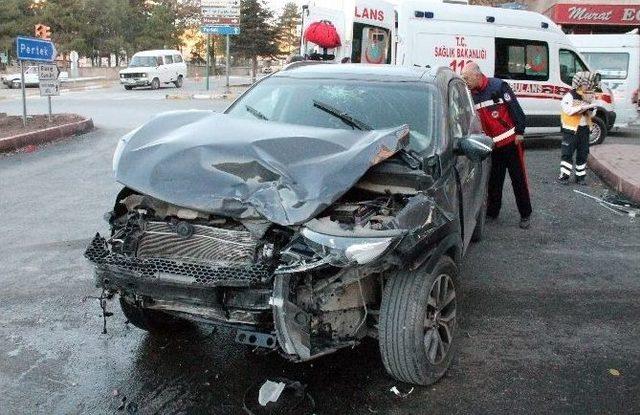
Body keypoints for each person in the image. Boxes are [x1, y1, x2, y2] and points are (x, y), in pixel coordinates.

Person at [461, 62, 532, 229]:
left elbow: (515, 108)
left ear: (477, 75)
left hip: (511, 142)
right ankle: (493, 212)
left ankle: (525, 214)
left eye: (467, 77)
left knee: (518, 179)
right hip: (492, 146)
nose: (465, 81)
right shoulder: (470, 94)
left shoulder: (498, 86)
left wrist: (520, 132)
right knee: (494, 180)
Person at [558, 71, 598, 185]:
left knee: (583, 153)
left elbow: (593, 114)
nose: (588, 85)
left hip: (584, 129)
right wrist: (582, 107)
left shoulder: (590, 95)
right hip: (571, 129)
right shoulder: (570, 95)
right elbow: (568, 110)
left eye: (589, 83)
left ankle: (580, 177)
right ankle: (564, 176)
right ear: (579, 83)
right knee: (567, 153)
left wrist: (591, 109)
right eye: (585, 83)